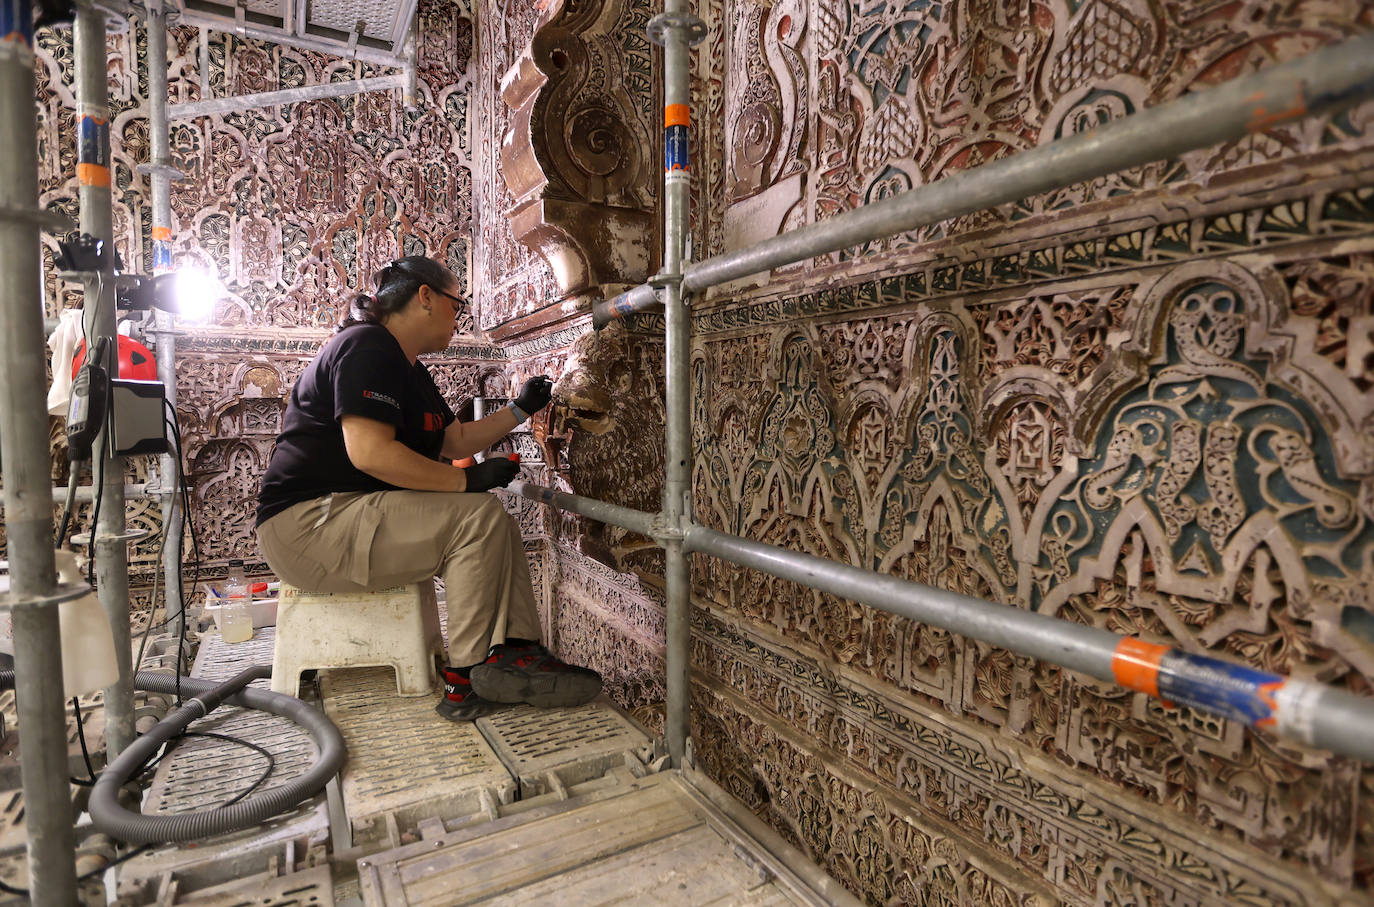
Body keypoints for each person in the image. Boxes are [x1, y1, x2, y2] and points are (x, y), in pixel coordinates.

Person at [255, 255, 602, 720]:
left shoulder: (408, 367)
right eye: (456, 304)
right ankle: (468, 679)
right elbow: (370, 453)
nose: (458, 317)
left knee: (490, 517)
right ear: (425, 297)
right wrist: (464, 480)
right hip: (308, 527)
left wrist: (521, 409)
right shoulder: (366, 347)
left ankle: (516, 652)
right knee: (477, 517)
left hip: (341, 518)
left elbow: (453, 439)